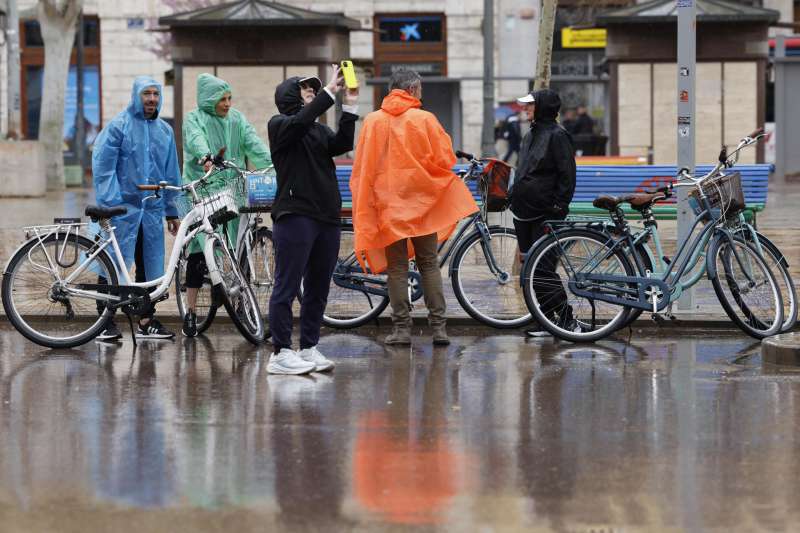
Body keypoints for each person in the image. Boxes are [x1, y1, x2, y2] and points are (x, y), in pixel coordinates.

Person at [350, 69, 478, 346]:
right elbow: (445, 158)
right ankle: (439, 329)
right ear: (413, 89)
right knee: (429, 263)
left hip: (388, 206)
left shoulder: (373, 121)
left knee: (396, 268)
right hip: (423, 205)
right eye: (420, 90)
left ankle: (401, 330)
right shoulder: (425, 119)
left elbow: (363, 166)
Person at [266, 65, 358, 375]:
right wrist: (330, 92)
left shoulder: (317, 130)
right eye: (306, 89)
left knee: (318, 287)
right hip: (295, 215)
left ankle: (308, 346)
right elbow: (300, 121)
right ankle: (280, 352)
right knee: (287, 285)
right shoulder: (280, 125)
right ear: (290, 96)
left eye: (314, 89)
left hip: (326, 217)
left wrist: (351, 104)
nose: (312, 92)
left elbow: (343, 143)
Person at [91, 76, 181, 341]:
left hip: (151, 212)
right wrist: (112, 204)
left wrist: (172, 211)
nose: (152, 99)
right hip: (121, 211)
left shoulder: (165, 131)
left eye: (155, 94)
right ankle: (104, 322)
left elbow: (171, 174)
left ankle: (146, 320)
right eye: (146, 94)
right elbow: (103, 166)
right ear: (136, 96)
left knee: (149, 265)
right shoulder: (119, 127)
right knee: (111, 265)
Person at [181, 73, 272, 337]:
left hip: (233, 191)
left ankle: (241, 300)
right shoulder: (194, 119)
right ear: (209, 99)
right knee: (199, 253)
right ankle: (190, 311)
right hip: (203, 191)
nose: (228, 103)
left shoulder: (237, 119)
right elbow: (195, 139)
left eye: (230, 98)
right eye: (222, 99)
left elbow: (253, 144)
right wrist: (205, 157)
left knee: (236, 247)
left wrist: (273, 164)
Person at [510, 88, 577, 337]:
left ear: (543, 107)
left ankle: (566, 318)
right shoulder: (531, 134)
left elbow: (567, 175)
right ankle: (546, 319)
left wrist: (559, 207)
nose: (525, 109)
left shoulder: (558, 136)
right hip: (525, 211)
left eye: (530, 105)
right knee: (530, 268)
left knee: (543, 268)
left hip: (546, 213)